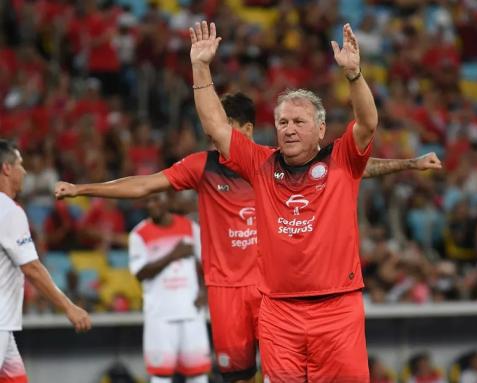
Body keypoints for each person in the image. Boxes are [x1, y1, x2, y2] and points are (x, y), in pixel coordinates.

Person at [54, 92, 440, 382]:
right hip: (231, 288)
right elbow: (145, 186)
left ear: (248, 132)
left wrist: (408, 163)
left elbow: (352, 168)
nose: (220, 141)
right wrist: (86, 188)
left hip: (273, 285)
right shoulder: (206, 166)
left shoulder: (274, 162)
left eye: (227, 131)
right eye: (284, 122)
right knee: (238, 375)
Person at [187, 20, 401, 381]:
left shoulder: (342, 160)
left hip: (337, 307)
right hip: (279, 312)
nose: (288, 128)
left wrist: (354, 75)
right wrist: (200, 66)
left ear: (320, 129)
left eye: (299, 121)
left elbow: (367, 122)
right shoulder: (259, 164)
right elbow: (216, 126)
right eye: (283, 121)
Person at [0, 139, 91, 383]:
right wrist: (68, 307)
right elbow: (32, 268)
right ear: (6, 168)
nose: (25, 171)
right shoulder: (8, 211)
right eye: (19, 164)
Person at [129, 193, 210, 383]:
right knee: (161, 375)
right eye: (147, 201)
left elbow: (208, 263)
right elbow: (140, 273)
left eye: (156, 199)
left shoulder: (190, 227)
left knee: (198, 374)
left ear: (169, 200)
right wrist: (172, 255)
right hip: (159, 315)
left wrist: (206, 292)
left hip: (191, 311)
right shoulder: (139, 234)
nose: (151, 204)